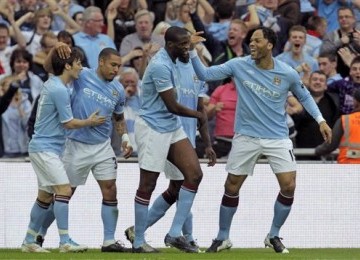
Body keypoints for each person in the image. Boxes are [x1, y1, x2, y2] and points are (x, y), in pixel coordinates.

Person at [189, 26, 332, 253]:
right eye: (251, 41)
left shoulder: (287, 73)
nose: (252, 45)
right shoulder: (238, 65)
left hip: (277, 137)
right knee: (232, 185)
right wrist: (192, 50)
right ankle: (223, 236)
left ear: (270, 45)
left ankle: (273, 235)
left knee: (289, 185)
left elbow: (304, 96)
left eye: (257, 41)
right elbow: (205, 75)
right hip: (246, 136)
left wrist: (321, 120)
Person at [124, 42, 216, 251]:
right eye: (187, 46)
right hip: (156, 129)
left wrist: (208, 142)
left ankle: (176, 234)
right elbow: (165, 99)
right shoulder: (163, 66)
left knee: (185, 182)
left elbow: (200, 106)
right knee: (159, 184)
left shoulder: (197, 73)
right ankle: (150, 237)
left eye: (195, 48)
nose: (191, 51)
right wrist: (147, 57)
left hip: (182, 133)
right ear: (174, 47)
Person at [40, 46, 133, 253]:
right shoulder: (82, 75)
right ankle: (40, 233)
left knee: (110, 190)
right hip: (75, 144)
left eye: (118, 65)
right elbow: (49, 68)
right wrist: (55, 49)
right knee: (65, 193)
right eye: (113, 65)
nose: (116, 69)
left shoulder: (118, 90)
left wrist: (125, 137)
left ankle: (109, 241)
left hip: (102, 147)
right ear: (101, 62)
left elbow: (118, 116)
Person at [21, 46, 106, 253]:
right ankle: (65, 241)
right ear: (67, 65)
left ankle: (28, 241)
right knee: (64, 190)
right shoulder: (59, 89)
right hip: (45, 148)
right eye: (78, 63)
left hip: (45, 147)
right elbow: (68, 123)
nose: (81, 67)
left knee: (45, 196)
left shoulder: (54, 82)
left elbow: (50, 65)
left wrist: (55, 50)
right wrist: (90, 121)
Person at [315, 88, 360, 163]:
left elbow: (331, 144)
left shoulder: (345, 120)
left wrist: (318, 151)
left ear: (355, 101)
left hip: (348, 167)